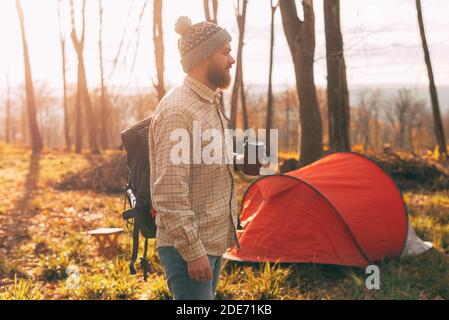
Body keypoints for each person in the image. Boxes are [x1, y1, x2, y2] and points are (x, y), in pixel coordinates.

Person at [148, 16, 239, 300]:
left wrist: (239, 159)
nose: (232, 60)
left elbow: (204, 157)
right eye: (225, 52)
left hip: (210, 240)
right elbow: (169, 193)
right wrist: (193, 252)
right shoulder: (179, 111)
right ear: (203, 58)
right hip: (188, 249)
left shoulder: (207, 101)